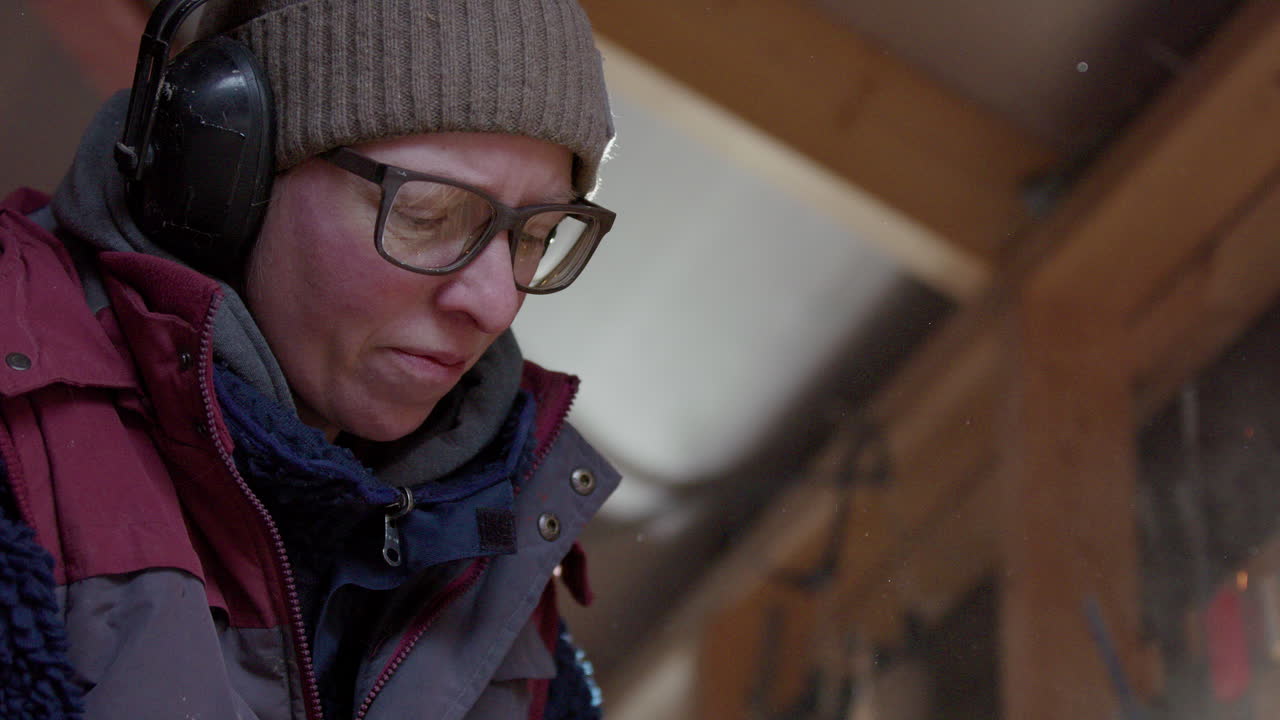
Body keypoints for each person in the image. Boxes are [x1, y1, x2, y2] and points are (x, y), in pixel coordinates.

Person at [0, 1, 620, 718]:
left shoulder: (502, 548)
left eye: (536, 234)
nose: (494, 303)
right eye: (425, 215)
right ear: (225, 176)